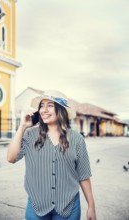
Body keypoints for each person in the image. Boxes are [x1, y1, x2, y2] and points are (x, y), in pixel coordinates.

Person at [7, 90, 97, 220]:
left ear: (61, 110)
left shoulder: (77, 139)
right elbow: (11, 158)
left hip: (69, 208)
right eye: (42, 106)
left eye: (50, 105)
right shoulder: (30, 135)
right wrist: (22, 127)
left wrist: (91, 206)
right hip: (36, 207)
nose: (44, 110)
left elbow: (84, 175)